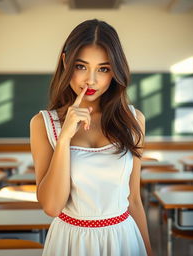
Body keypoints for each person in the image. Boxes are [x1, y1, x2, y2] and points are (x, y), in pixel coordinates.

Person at [30, 19, 153, 256]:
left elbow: (134, 199)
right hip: (70, 242)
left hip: (123, 239)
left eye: (103, 69)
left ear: (115, 71)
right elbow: (52, 206)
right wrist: (64, 138)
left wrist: (149, 251)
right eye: (81, 66)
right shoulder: (42, 123)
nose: (91, 80)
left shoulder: (134, 120)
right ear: (66, 62)